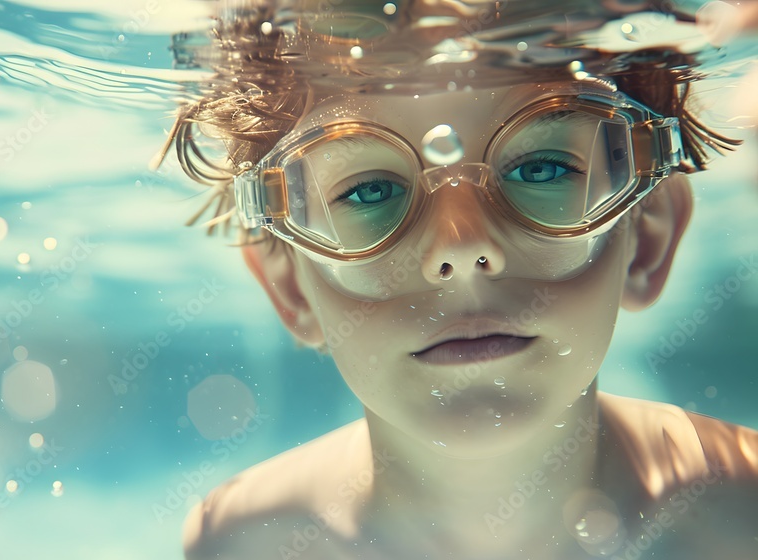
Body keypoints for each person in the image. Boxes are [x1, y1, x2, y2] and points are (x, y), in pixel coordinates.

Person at [157, 1, 758, 558]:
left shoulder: (743, 515)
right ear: (291, 289)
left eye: (541, 168)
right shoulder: (242, 541)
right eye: (371, 191)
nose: (462, 247)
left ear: (646, 238)